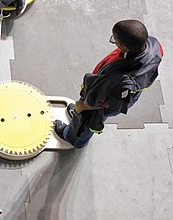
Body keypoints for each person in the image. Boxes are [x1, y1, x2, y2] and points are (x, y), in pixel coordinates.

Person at [54, 20, 163, 148]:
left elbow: (100, 102)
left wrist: (82, 107)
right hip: (124, 93)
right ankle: (77, 119)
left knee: (88, 120)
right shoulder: (154, 45)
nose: (114, 42)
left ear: (124, 46)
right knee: (83, 115)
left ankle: (73, 137)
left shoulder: (119, 80)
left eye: (115, 40)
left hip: (108, 100)